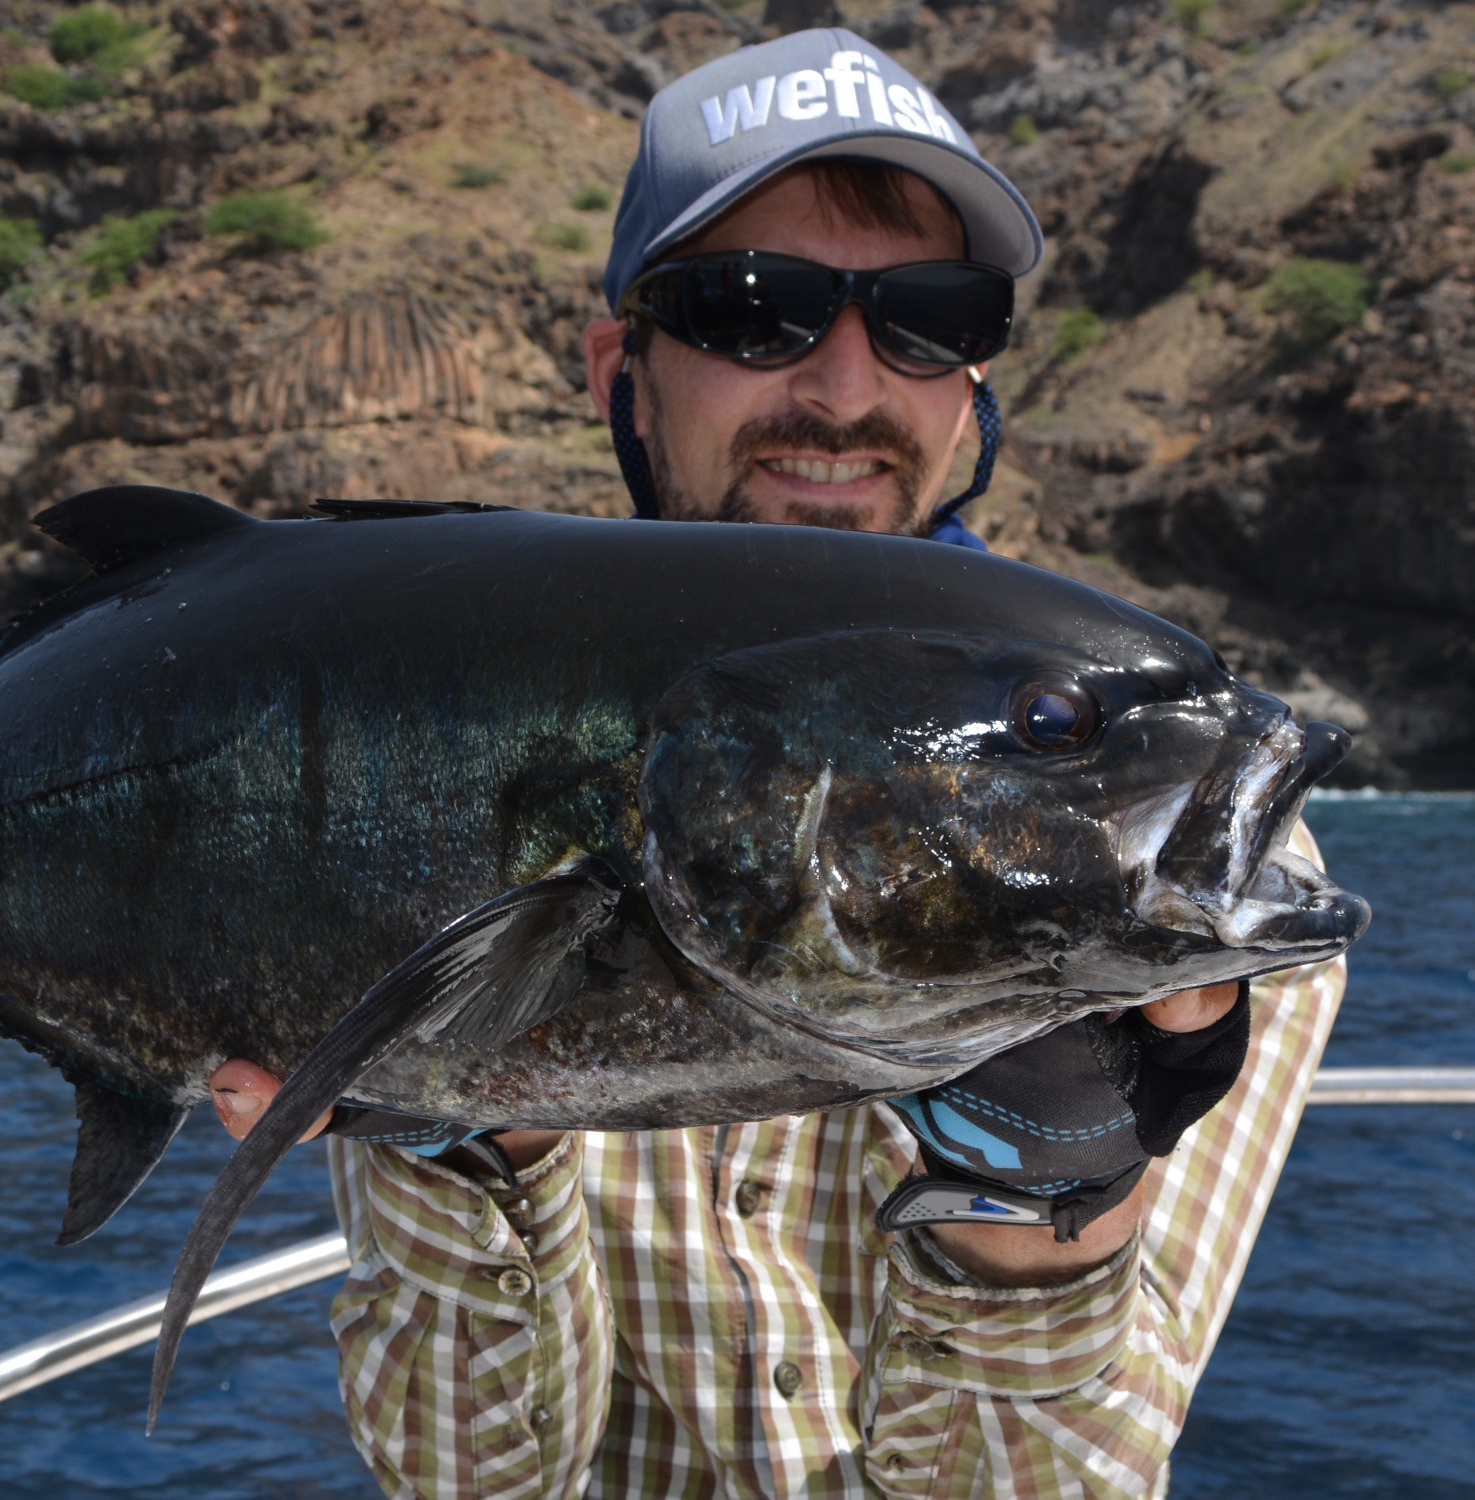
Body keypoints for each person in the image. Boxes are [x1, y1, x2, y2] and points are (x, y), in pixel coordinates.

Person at [207, 28, 1345, 1498]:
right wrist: (473, 1141)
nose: (847, 385)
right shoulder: (470, 744)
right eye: (757, 311)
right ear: (627, 366)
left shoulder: (1165, 839)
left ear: (970, 381)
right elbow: (469, 1480)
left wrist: (1038, 1211)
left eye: (928, 317)